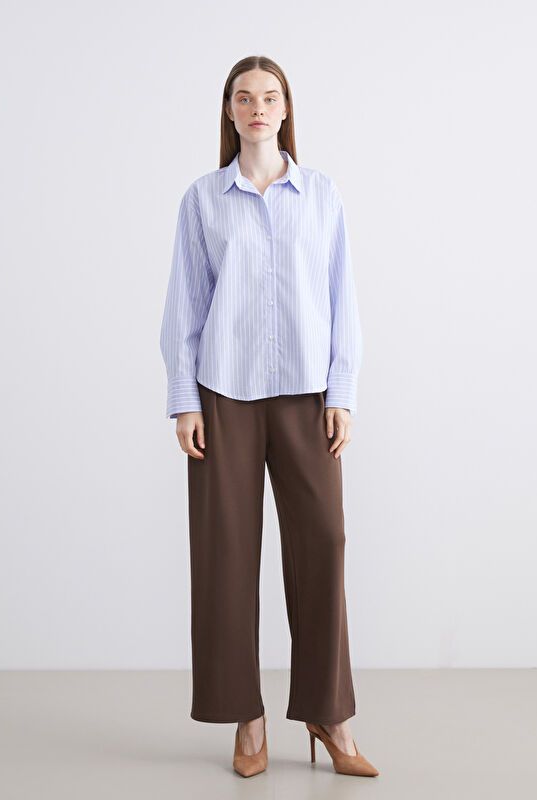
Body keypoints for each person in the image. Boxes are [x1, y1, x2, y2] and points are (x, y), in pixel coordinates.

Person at [160, 55, 379, 779]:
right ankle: (244, 716)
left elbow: (343, 297)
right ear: (229, 110)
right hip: (223, 393)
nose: (257, 107)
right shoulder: (203, 199)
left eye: (270, 96)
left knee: (323, 543)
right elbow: (185, 305)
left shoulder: (321, 194)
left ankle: (329, 713)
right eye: (244, 97)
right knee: (224, 554)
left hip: (307, 395)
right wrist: (185, 401)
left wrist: (342, 391)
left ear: (286, 109)